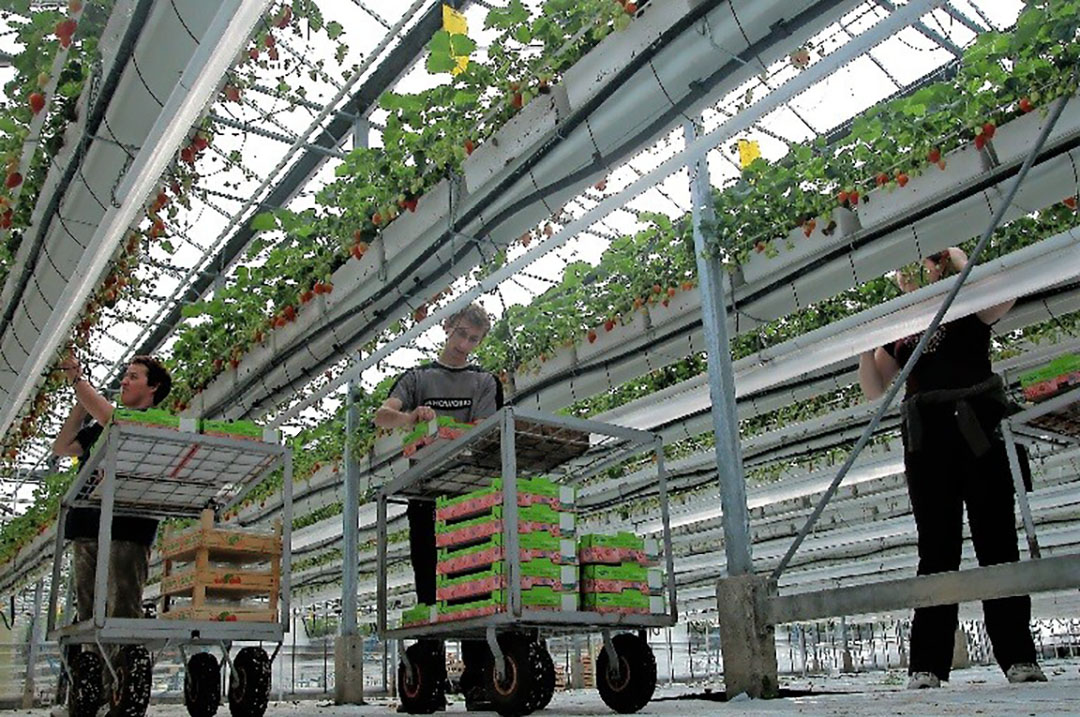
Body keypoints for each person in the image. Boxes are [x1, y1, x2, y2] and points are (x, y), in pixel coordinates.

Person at [857, 248, 1046, 689]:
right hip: (927, 441)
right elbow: (874, 389)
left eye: (922, 262)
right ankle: (927, 664)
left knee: (996, 539)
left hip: (978, 430)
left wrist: (959, 258)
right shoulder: (900, 330)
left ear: (939, 267)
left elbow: (1007, 294)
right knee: (937, 549)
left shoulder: (966, 303)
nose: (909, 273)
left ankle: (1018, 657)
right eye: (903, 268)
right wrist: (864, 343)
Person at [375, 303, 504, 711]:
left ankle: (477, 677)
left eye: (473, 339)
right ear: (447, 326)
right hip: (425, 494)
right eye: (461, 333)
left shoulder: (484, 382)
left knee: (471, 582)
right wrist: (412, 416)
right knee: (428, 581)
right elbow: (383, 416)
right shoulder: (417, 378)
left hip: (467, 495)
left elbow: (484, 434)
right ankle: (427, 676)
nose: (464, 344)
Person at [52, 354, 172, 711]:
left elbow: (113, 417)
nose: (124, 381)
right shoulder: (101, 429)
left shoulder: (151, 422)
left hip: (127, 529)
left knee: (122, 609)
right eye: (124, 375)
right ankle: (93, 693)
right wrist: (80, 402)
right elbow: (61, 446)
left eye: (133, 377)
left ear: (153, 388)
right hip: (87, 527)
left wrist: (78, 380)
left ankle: (118, 691)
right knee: (88, 612)